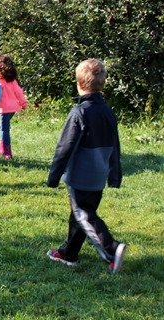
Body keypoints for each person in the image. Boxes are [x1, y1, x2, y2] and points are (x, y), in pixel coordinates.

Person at [46, 59, 126, 274]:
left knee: (84, 215)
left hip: (81, 174)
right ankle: (68, 253)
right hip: (99, 173)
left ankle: (112, 249)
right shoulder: (108, 111)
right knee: (80, 213)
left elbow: (65, 147)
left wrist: (54, 176)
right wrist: (114, 175)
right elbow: (115, 146)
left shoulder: (79, 112)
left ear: (79, 84)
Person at [0, 54, 28, 160]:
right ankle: (2, 147)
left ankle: (7, 152)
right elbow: (19, 93)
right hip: (12, 108)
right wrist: (23, 103)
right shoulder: (12, 80)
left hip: (3, 109)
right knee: (3, 128)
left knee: (3, 129)